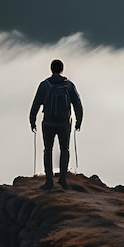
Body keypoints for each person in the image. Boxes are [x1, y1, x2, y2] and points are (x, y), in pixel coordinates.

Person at [30, 59, 83, 190]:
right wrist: (78, 121)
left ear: (51, 69)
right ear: (62, 69)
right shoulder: (69, 86)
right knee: (65, 149)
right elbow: (77, 104)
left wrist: (32, 120)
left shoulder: (44, 85)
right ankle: (63, 180)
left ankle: (49, 182)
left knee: (48, 150)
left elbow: (36, 104)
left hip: (48, 123)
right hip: (64, 123)